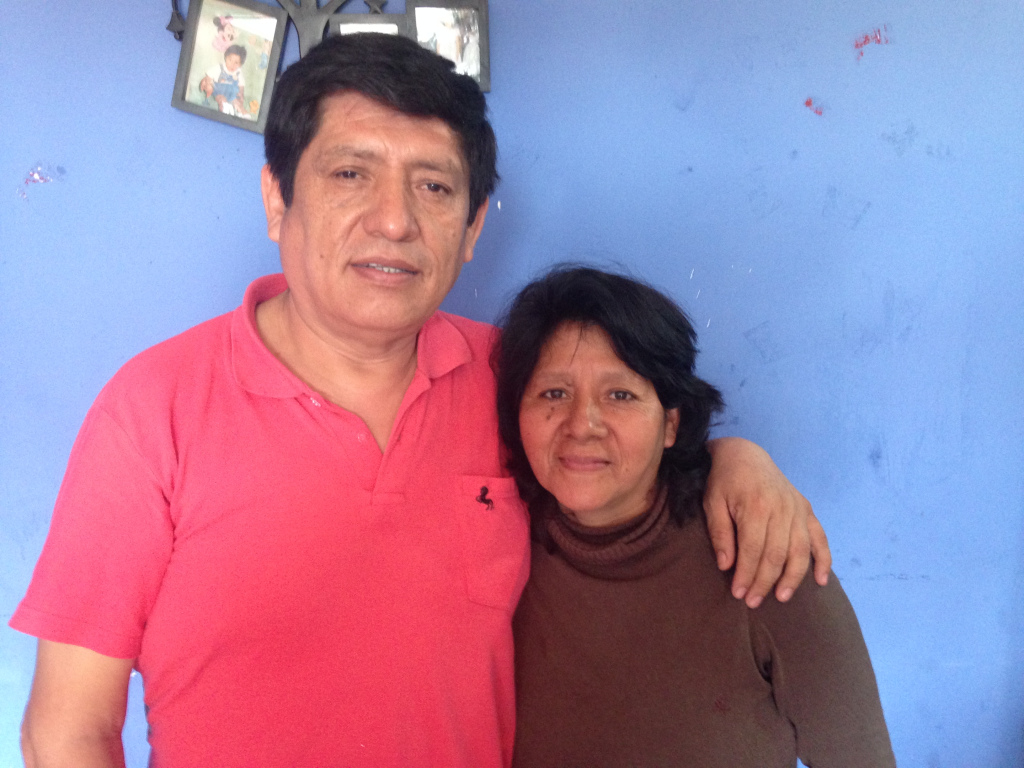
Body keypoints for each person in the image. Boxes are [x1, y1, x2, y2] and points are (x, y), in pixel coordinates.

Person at [13, 33, 829, 768]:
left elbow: (621, 452)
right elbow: (67, 731)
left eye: (434, 187)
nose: (395, 221)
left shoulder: (516, 383)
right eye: (350, 174)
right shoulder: (153, 411)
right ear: (276, 200)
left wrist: (734, 459)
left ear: (471, 230)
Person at [495, 266, 895, 767]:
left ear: (670, 423)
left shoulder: (765, 557)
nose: (583, 425)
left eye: (620, 395)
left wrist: (740, 454)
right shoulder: (496, 549)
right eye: (554, 393)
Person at [199, 44, 248, 117]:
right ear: (226, 57)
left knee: (238, 103)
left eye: (236, 63)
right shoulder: (220, 67)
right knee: (221, 100)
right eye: (230, 60)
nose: (232, 64)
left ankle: (244, 116)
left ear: (240, 64)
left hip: (232, 94)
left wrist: (241, 94)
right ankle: (224, 113)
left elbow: (241, 85)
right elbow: (209, 77)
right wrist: (207, 84)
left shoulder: (238, 72)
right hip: (219, 91)